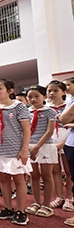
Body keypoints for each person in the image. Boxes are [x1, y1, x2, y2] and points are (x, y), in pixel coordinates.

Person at [0, 79, 32, 226]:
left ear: (10, 91)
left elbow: (26, 129)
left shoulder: (19, 107)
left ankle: (21, 211)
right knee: (4, 180)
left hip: (16, 150)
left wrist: (24, 150)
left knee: (19, 180)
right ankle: (8, 208)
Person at [24, 86, 57, 217]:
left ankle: (47, 204)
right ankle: (37, 202)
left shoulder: (50, 111)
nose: (33, 99)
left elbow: (50, 131)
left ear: (44, 96)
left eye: (37, 96)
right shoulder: (26, 112)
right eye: (30, 97)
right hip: (29, 146)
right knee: (33, 175)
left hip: (45, 145)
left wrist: (37, 146)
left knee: (47, 175)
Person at [46, 80, 73, 211]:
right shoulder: (46, 108)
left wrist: (63, 143)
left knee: (68, 171)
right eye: (49, 91)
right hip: (51, 140)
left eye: (55, 90)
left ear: (63, 92)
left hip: (66, 138)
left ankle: (69, 197)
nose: (52, 93)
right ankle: (59, 196)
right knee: (54, 170)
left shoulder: (68, 106)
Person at [60, 78, 74, 226]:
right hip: (70, 143)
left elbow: (63, 118)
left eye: (69, 84)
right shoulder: (70, 100)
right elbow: (63, 119)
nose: (66, 87)